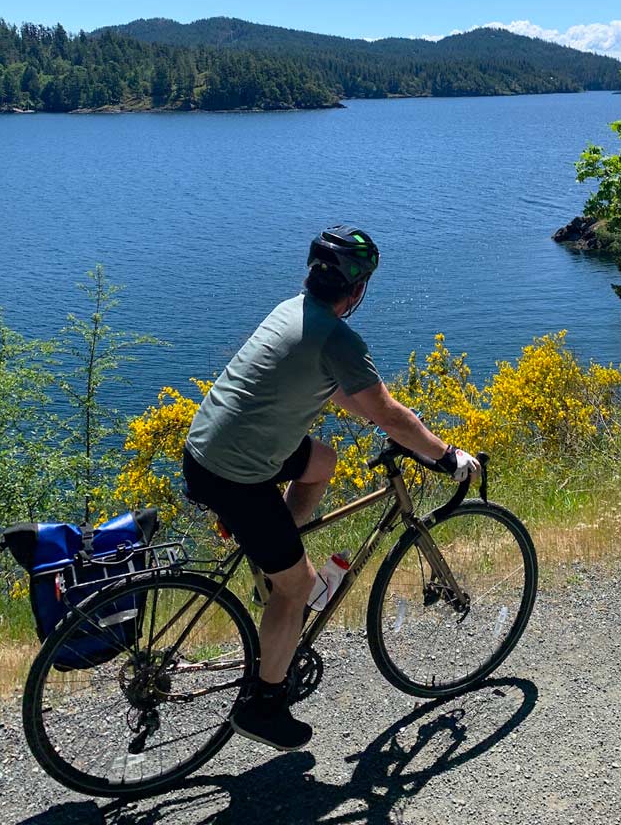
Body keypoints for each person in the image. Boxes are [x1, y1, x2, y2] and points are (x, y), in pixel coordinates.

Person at [182, 226, 480, 752]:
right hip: (237, 473)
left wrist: (391, 423)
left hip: (208, 448)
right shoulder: (338, 338)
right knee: (297, 587)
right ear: (358, 288)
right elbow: (385, 411)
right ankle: (265, 704)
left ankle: (277, 568)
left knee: (323, 461)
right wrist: (443, 453)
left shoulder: (293, 311)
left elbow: (349, 395)